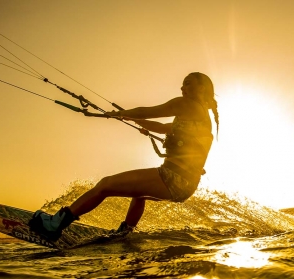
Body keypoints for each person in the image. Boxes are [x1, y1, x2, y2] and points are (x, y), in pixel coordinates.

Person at [28, 72, 219, 241]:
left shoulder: (187, 105)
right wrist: (132, 119)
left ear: (201, 88)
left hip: (172, 178)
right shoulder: (199, 117)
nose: (182, 87)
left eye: (188, 83)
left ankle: (54, 225)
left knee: (105, 185)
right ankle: (126, 232)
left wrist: (120, 113)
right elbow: (161, 128)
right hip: (185, 185)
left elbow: (150, 112)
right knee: (139, 194)